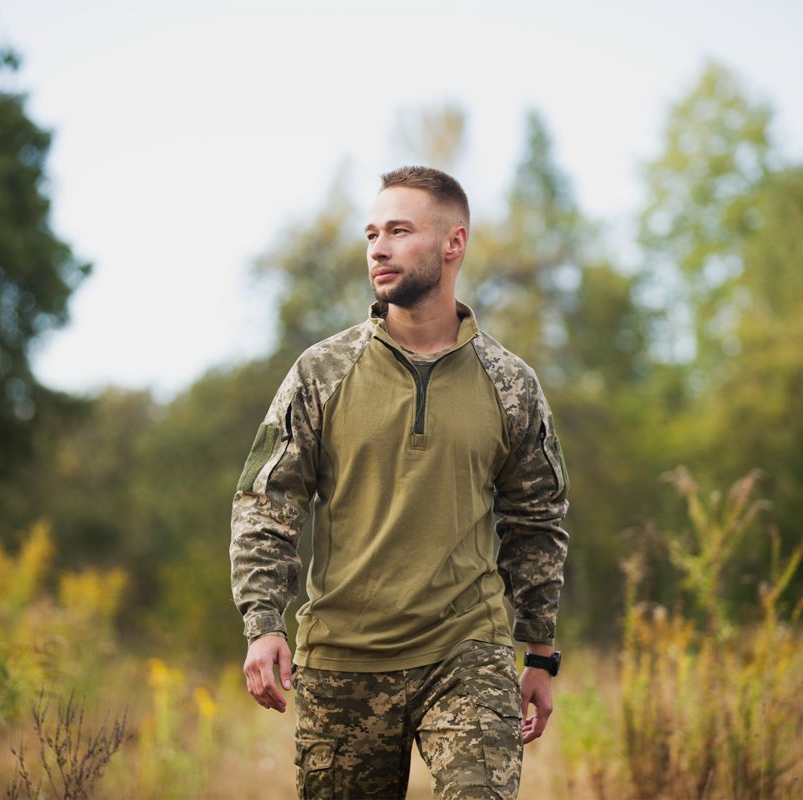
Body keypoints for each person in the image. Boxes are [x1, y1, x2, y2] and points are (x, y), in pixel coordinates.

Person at [230, 166, 570, 799]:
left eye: (399, 231)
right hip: (343, 661)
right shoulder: (322, 372)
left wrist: (540, 654)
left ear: (453, 243)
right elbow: (266, 504)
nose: (378, 248)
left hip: (468, 653)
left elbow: (537, 522)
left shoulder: (510, 383)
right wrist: (264, 624)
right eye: (370, 234)